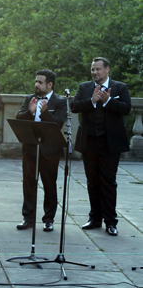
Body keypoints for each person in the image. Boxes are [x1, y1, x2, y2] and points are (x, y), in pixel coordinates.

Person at [71, 57, 131, 236]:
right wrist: (92, 100)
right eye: (92, 70)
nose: (95, 73)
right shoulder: (85, 87)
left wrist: (107, 101)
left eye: (98, 69)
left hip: (110, 143)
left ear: (107, 69)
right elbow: (74, 106)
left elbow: (126, 109)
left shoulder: (120, 87)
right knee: (92, 182)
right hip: (89, 141)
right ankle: (94, 218)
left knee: (108, 182)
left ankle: (111, 222)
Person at [15, 69, 67, 232]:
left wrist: (44, 113)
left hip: (49, 151)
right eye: (36, 81)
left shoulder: (60, 102)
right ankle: (28, 218)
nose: (36, 85)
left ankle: (49, 219)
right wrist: (29, 112)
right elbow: (19, 117)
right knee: (29, 184)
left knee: (49, 185)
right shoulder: (29, 98)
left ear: (49, 85)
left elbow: (57, 123)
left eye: (40, 82)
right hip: (30, 148)